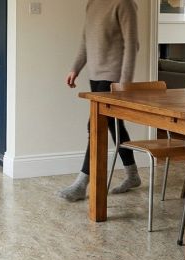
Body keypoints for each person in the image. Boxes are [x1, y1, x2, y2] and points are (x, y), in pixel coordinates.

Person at [58, 0, 141, 202]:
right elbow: (85, 41)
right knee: (114, 125)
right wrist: (75, 68)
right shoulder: (92, 4)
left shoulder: (124, 3)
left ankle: (82, 183)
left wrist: (124, 84)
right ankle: (132, 174)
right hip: (95, 76)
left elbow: (132, 45)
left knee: (95, 125)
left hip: (113, 77)